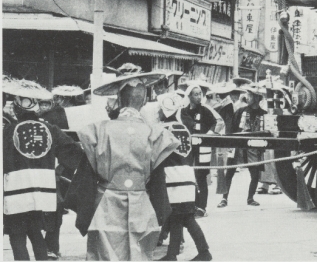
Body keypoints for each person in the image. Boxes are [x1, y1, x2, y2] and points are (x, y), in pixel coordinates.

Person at [68, 69, 180, 260]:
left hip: (106, 205)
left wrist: (83, 211)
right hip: (141, 204)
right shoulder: (155, 134)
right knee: (138, 254)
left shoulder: (98, 131)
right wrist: (160, 212)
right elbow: (158, 180)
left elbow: (86, 177)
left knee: (105, 255)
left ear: (118, 99)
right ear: (143, 100)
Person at [3, 78, 83, 261]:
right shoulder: (50, 129)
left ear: (16, 108)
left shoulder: (6, 132)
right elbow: (74, 153)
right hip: (43, 194)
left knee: (17, 237)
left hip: (15, 193)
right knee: (36, 233)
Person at [156, 92, 212, 261]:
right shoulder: (184, 129)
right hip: (187, 176)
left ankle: (204, 252)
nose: (157, 111)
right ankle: (172, 254)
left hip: (173, 178)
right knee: (179, 217)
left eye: (159, 108)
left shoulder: (163, 130)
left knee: (184, 217)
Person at [41, 85, 85, 260]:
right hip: (72, 164)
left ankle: (50, 246)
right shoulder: (81, 115)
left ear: (61, 99)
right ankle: (52, 245)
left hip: (54, 165)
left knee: (55, 207)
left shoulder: (49, 117)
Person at [217, 83, 267, 208]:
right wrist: (230, 141)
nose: (247, 97)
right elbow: (232, 128)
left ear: (257, 98)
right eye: (248, 94)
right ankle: (224, 198)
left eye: (250, 95)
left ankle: (250, 198)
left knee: (255, 174)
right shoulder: (240, 111)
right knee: (230, 172)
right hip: (238, 145)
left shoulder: (264, 114)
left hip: (254, 147)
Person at [178, 82, 218, 218]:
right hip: (189, 148)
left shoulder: (205, 110)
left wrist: (209, 135)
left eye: (200, 94)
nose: (199, 97)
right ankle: (194, 204)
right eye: (195, 94)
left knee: (201, 177)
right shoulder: (183, 111)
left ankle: (202, 207)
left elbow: (216, 123)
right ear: (189, 96)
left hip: (202, 148)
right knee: (189, 176)